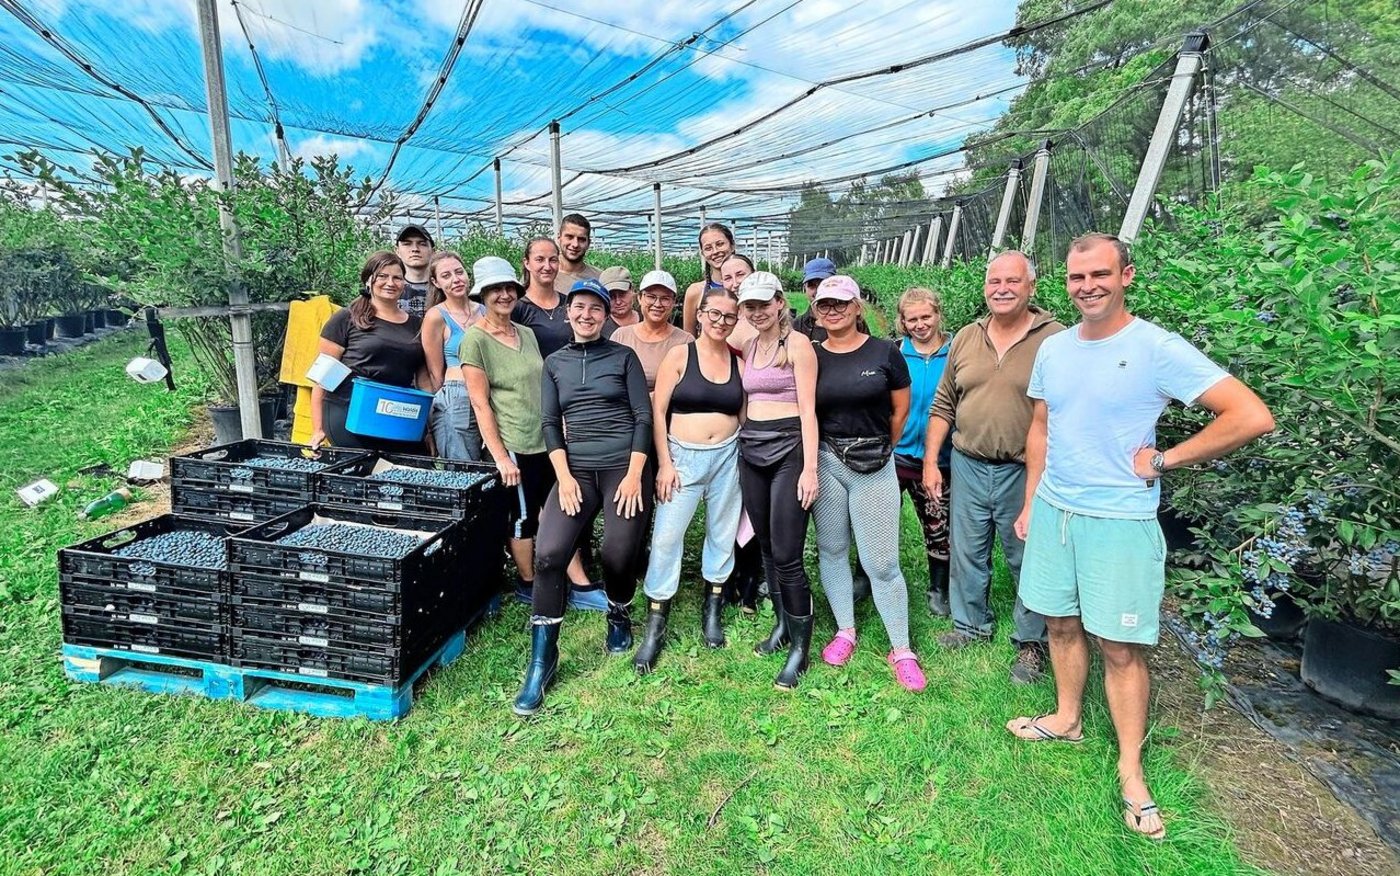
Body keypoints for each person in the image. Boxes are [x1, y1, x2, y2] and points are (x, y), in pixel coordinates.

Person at [1007, 233, 1273, 841]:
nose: (1088, 287)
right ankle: (1068, 718)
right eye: (1076, 278)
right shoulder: (1055, 349)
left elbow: (1249, 414)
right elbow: (1042, 429)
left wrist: (1166, 459)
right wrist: (1031, 502)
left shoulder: (1156, 348)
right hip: (1055, 511)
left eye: (1100, 274)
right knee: (1059, 623)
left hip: (1120, 520)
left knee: (1121, 647)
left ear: (1126, 275)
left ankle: (1131, 770)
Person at [514, 279, 653, 716]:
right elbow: (550, 422)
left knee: (618, 552)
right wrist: (565, 477)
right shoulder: (555, 362)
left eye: (596, 307)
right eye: (579, 307)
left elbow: (643, 416)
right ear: (569, 312)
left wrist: (634, 476)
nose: (587, 314)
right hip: (575, 470)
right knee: (550, 553)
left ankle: (617, 611)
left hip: (622, 467)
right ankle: (542, 660)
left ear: (607, 314)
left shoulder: (623, 356)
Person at [924, 250, 1064, 684]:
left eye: (1012, 281)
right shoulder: (967, 336)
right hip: (967, 460)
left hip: (1024, 468)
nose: (1001, 289)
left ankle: (1031, 643)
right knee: (968, 550)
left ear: (1031, 287)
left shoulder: (1055, 339)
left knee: (1027, 553)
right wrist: (932, 460)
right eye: (994, 282)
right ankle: (970, 626)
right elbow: (945, 401)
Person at [809, 275, 925, 693]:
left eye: (841, 303)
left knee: (881, 561)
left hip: (873, 462)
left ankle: (902, 647)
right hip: (826, 459)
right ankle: (845, 629)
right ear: (816, 310)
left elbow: (901, 410)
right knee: (832, 548)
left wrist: (881, 449)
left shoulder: (885, 353)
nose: (833, 311)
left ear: (858, 307)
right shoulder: (812, 355)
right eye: (825, 305)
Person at [633, 286, 745, 673]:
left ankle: (713, 604)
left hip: (728, 456)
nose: (721, 322)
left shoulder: (738, 361)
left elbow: (743, 415)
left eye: (729, 317)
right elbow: (658, 409)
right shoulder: (680, 356)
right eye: (714, 314)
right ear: (700, 314)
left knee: (722, 529)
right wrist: (665, 463)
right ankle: (656, 617)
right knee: (667, 535)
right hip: (683, 457)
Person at [735, 271, 819, 690]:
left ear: (780, 303)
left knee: (788, 552)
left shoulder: (798, 345)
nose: (757, 312)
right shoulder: (749, 345)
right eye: (749, 306)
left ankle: (801, 646)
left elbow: (808, 409)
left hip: (789, 450)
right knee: (765, 543)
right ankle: (783, 625)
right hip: (752, 449)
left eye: (763, 304)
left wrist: (809, 468)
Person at [461, 257, 549, 604]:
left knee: (547, 509)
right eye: (495, 289)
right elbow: (480, 403)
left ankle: (548, 571)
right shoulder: (475, 340)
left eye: (509, 287)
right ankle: (528, 583)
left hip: (540, 437)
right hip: (512, 441)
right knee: (523, 515)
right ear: (482, 295)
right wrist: (500, 457)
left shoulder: (525, 333)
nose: (503, 294)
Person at [310, 251, 428, 452]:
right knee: (364, 473)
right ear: (368, 280)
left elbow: (423, 379)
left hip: (396, 414)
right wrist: (318, 428)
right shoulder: (347, 318)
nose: (390, 282)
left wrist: (428, 427)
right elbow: (323, 378)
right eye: (382, 276)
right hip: (349, 413)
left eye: (397, 277)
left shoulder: (417, 324)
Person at [893, 288, 952, 616]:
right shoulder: (896, 353)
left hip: (939, 457)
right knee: (880, 519)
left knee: (937, 520)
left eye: (925, 317)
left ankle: (938, 587)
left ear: (938, 315)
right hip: (897, 454)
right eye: (912, 319)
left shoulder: (955, 352)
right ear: (902, 321)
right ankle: (866, 575)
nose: (919, 324)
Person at [421, 251, 483, 460]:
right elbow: (435, 373)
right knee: (463, 467)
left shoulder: (484, 310)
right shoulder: (436, 317)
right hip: (457, 397)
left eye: (459, 272)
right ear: (435, 282)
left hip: (489, 396)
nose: (455, 279)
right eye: (446, 276)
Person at [609, 270, 693, 391]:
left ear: (674, 302)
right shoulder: (621, 336)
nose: (657, 304)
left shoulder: (685, 341)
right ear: (639, 298)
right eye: (651, 297)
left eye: (665, 298)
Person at [512, 237, 573, 360]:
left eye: (553, 260)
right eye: (540, 260)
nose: (547, 266)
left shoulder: (569, 303)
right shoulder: (517, 306)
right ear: (527, 263)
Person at [792, 257, 868, 342]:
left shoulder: (854, 321)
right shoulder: (797, 325)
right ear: (804, 288)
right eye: (812, 285)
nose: (818, 290)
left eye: (823, 283)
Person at [682, 223, 735, 335]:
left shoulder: (750, 287)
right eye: (708, 248)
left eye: (720, 244)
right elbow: (689, 337)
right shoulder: (695, 292)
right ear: (702, 253)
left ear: (732, 245)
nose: (715, 251)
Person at [554, 213, 601, 293]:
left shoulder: (599, 278)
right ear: (559, 238)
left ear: (588, 243)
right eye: (569, 237)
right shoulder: (545, 274)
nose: (575, 244)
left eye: (581, 239)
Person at [395, 225, 434, 318]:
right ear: (397, 251)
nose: (415, 249)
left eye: (422, 244)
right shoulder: (390, 288)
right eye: (407, 244)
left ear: (433, 251)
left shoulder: (443, 287)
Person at [600, 266, 639, 338]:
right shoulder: (599, 327)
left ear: (632, 290)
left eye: (622, 294)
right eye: (611, 296)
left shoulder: (648, 318)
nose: (618, 302)